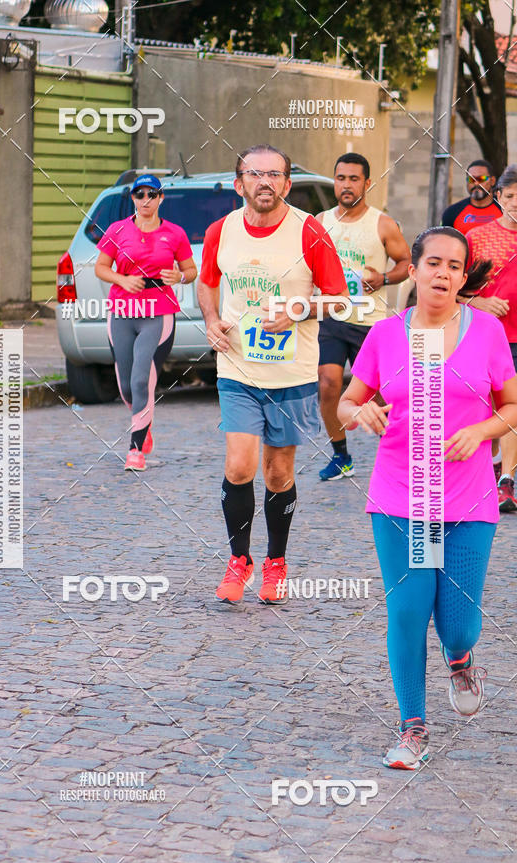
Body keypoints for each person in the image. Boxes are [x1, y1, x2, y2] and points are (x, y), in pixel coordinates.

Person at [338, 225, 517, 770]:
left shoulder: (485, 332)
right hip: (401, 497)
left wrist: (483, 432)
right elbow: (348, 402)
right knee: (409, 611)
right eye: (433, 263)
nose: (443, 273)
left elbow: (511, 407)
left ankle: (460, 658)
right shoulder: (386, 335)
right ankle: (412, 727)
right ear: (412, 270)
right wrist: (359, 412)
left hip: (466, 501)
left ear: (465, 278)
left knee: (457, 621)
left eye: (455, 266)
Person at [197, 144, 347, 604]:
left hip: (292, 374)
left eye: (274, 174)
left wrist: (298, 309)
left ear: (287, 183)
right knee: (239, 464)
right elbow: (207, 283)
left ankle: (275, 562)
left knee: (278, 474)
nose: (264, 182)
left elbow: (339, 299)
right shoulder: (220, 231)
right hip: (238, 367)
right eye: (254, 174)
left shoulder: (310, 232)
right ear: (239, 182)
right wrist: (210, 320)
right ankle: (238, 562)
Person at [317, 153, 410, 481]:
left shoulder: (382, 223)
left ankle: (399, 452)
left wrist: (383, 278)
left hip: (372, 324)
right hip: (331, 319)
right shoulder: (321, 221)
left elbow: (405, 263)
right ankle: (341, 455)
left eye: (353, 179)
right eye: (341, 178)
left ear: (367, 183)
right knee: (328, 384)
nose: (346, 185)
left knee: (385, 394)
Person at [95, 174, 197, 472]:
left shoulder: (175, 233)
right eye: (140, 194)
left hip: (158, 310)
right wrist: (122, 279)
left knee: (142, 378)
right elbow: (101, 268)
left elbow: (191, 270)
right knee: (126, 386)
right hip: (122, 311)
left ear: (161, 199)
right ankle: (144, 419)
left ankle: (135, 449)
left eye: (152, 194)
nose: (146, 200)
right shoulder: (117, 230)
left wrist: (179, 276)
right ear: (133, 199)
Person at [466, 164, 517, 511]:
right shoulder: (477, 237)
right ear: (498, 197)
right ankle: (496, 464)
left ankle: (506, 481)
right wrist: (480, 301)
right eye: (511, 196)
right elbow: (455, 287)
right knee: (496, 407)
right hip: (488, 336)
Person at [441, 159, 502, 235]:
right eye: (471, 179)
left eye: (481, 179)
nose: (476, 183)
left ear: (492, 181)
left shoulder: (505, 210)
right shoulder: (452, 212)